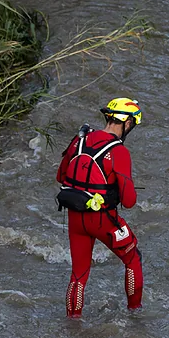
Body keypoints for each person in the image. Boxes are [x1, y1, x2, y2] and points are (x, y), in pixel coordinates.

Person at [55, 98, 143, 318]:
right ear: (128, 123)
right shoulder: (120, 151)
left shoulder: (80, 139)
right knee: (133, 258)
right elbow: (130, 201)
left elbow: (60, 176)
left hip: (75, 217)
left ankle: (72, 323)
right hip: (103, 219)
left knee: (78, 275)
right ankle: (135, 314)